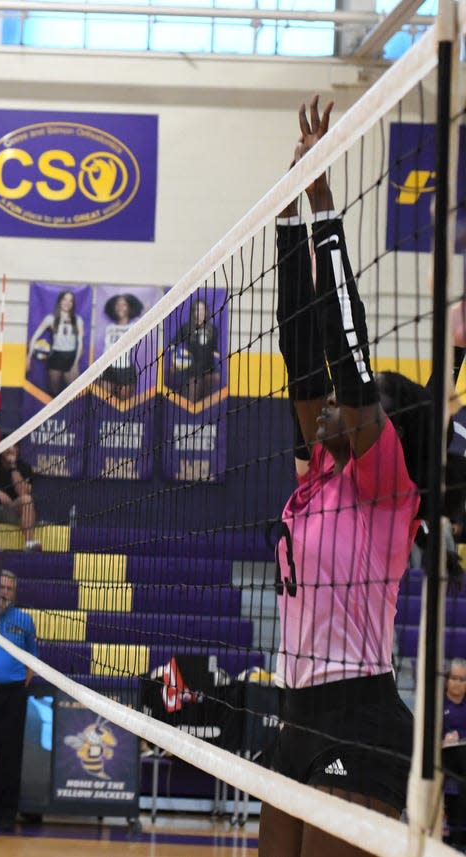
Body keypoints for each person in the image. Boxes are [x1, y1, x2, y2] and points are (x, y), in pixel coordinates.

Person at [259, 96, 429, 857]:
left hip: (360, 714)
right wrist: (289, 208)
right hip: (297, 710)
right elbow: (300, 345)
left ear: (376, 425)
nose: (323, 405)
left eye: (345, 406)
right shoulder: (317, 470)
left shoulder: (386, 481)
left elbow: (350, 356)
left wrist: (329, 214)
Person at [0, 571, 38, 831]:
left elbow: (33, 658)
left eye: (9, 588)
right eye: (1, 586)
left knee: (9, 757)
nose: (4, 592)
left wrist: (19, 686)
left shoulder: (24, 620)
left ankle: (6, 815)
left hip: (12, 695)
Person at [27, 290, 85, 396]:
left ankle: (71, 412)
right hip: (56, 356)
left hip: (71, 356)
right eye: (65, 299)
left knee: (74, 393)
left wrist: (76, 362)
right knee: (53, 392)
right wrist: (28, 357)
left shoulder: (77, 320)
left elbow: (80, 343)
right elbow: (34, 337)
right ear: (60, 301)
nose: (67, 303)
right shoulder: (51, 318)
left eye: (70, 301)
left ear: (73, 304)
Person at [168, 296, 220, 402]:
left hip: (208, 368)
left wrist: (216, 353)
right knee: (192, 398)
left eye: (202, 309)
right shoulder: (187, 328)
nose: (200, 312)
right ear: (193, 312)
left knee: (205, 400)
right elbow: (173, 344)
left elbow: (215, 349)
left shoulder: (212, 330)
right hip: (192, 370)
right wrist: (175, 361)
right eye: (197, 309)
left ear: (206, 312)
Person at [0, 439, 40, 551]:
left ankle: (29, 543)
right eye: (7, 446)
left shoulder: (24, 468)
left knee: (27, 499)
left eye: (13, 446)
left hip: (14, 511)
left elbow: (23, 492)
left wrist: (13, 466)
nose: (10, 449)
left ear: (18, 450)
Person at [101, 293, 144, 400]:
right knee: (104, 402)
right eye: (117, 304)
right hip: (108, 368)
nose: (120, 307)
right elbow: (105, 349)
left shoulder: (134, 326)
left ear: (129, 308)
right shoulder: (109, 327)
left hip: (125, 369)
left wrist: (146, 313)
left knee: (123, 404)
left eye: (124, 304)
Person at [444, 659, 466, 849]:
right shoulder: (437, 706)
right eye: (454, 678)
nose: (457, 682)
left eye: (462, 679)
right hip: (443, 761)